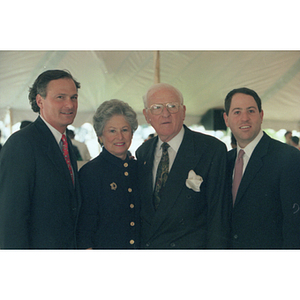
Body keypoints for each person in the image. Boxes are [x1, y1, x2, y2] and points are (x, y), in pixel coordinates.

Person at [136, 83, 230, 249]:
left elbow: (218, 217)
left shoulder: (211, 149)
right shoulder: (143, 152)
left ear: (183, 111)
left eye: (172, 106)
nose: (165, 113)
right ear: (147, 115)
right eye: (157, 108)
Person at [0, 69, 81, 249]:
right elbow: (11, 219)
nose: (70, 105)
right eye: (60, 97)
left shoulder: (65, 143)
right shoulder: (22, 144)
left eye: (74, 97)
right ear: (39, 101)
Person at [223, 87, 300, 249]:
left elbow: (294, 225)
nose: (245, 118)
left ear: (261, 115)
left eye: (251, 111)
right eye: (237, 112)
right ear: (226, 119)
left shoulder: (288, 158)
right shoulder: (225, 161)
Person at [77, 99, 140, 249]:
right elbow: (85, 226)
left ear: (132, 134)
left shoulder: (139, 169)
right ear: (100, 136)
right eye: (112, 131)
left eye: (125, 130)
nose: (120, 137)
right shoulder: (90, 173)